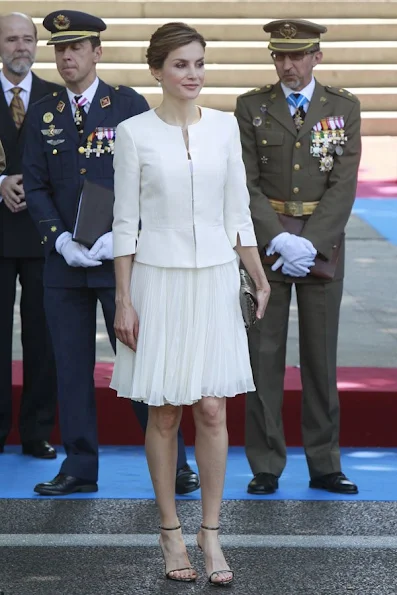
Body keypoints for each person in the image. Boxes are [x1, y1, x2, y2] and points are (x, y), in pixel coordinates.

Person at [110, 22, 270, 585]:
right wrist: (124, 300)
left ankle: (211, 534)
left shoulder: (225, 128)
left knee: (212, 408)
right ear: (157, 70)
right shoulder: (133, 134)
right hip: (158, 280)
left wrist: (256, 271)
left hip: (215, 280)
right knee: (165, 410)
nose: (193, 74)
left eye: (199, 63)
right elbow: (124, 224)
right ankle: (170, 532)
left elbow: (238, 211)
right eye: (181, 65)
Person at [23, 10, 198, 496]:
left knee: (141, 361)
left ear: (97, 52)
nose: (66, 57)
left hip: (119, 263)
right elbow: (35, 185)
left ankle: (175, 461)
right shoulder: (44, 111)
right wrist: (58, 239)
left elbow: (150, 176)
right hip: (64, 264)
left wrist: (125, 235)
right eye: (59, 49)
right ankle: (79, 466)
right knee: (70, 365)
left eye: (76, 48)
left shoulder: (125, 105)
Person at [235, 19, 361, 496]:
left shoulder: (343, 107)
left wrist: (311, 242)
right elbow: (244, 182)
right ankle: (265, 463)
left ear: (316, 57)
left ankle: (325, 462)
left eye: (297, 55)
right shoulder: (252, 106)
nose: (287, 65)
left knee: (320, 357)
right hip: (267, 247)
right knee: (262, 355)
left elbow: (344, 183)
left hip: (321, 247)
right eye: (278, 56)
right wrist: (277, 239)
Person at [0, 12, 59, 459]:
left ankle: (37, 431)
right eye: (11, 40)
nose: (21, 47)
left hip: (43, 238)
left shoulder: (57, 99)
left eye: (27, 39)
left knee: (43, 337)